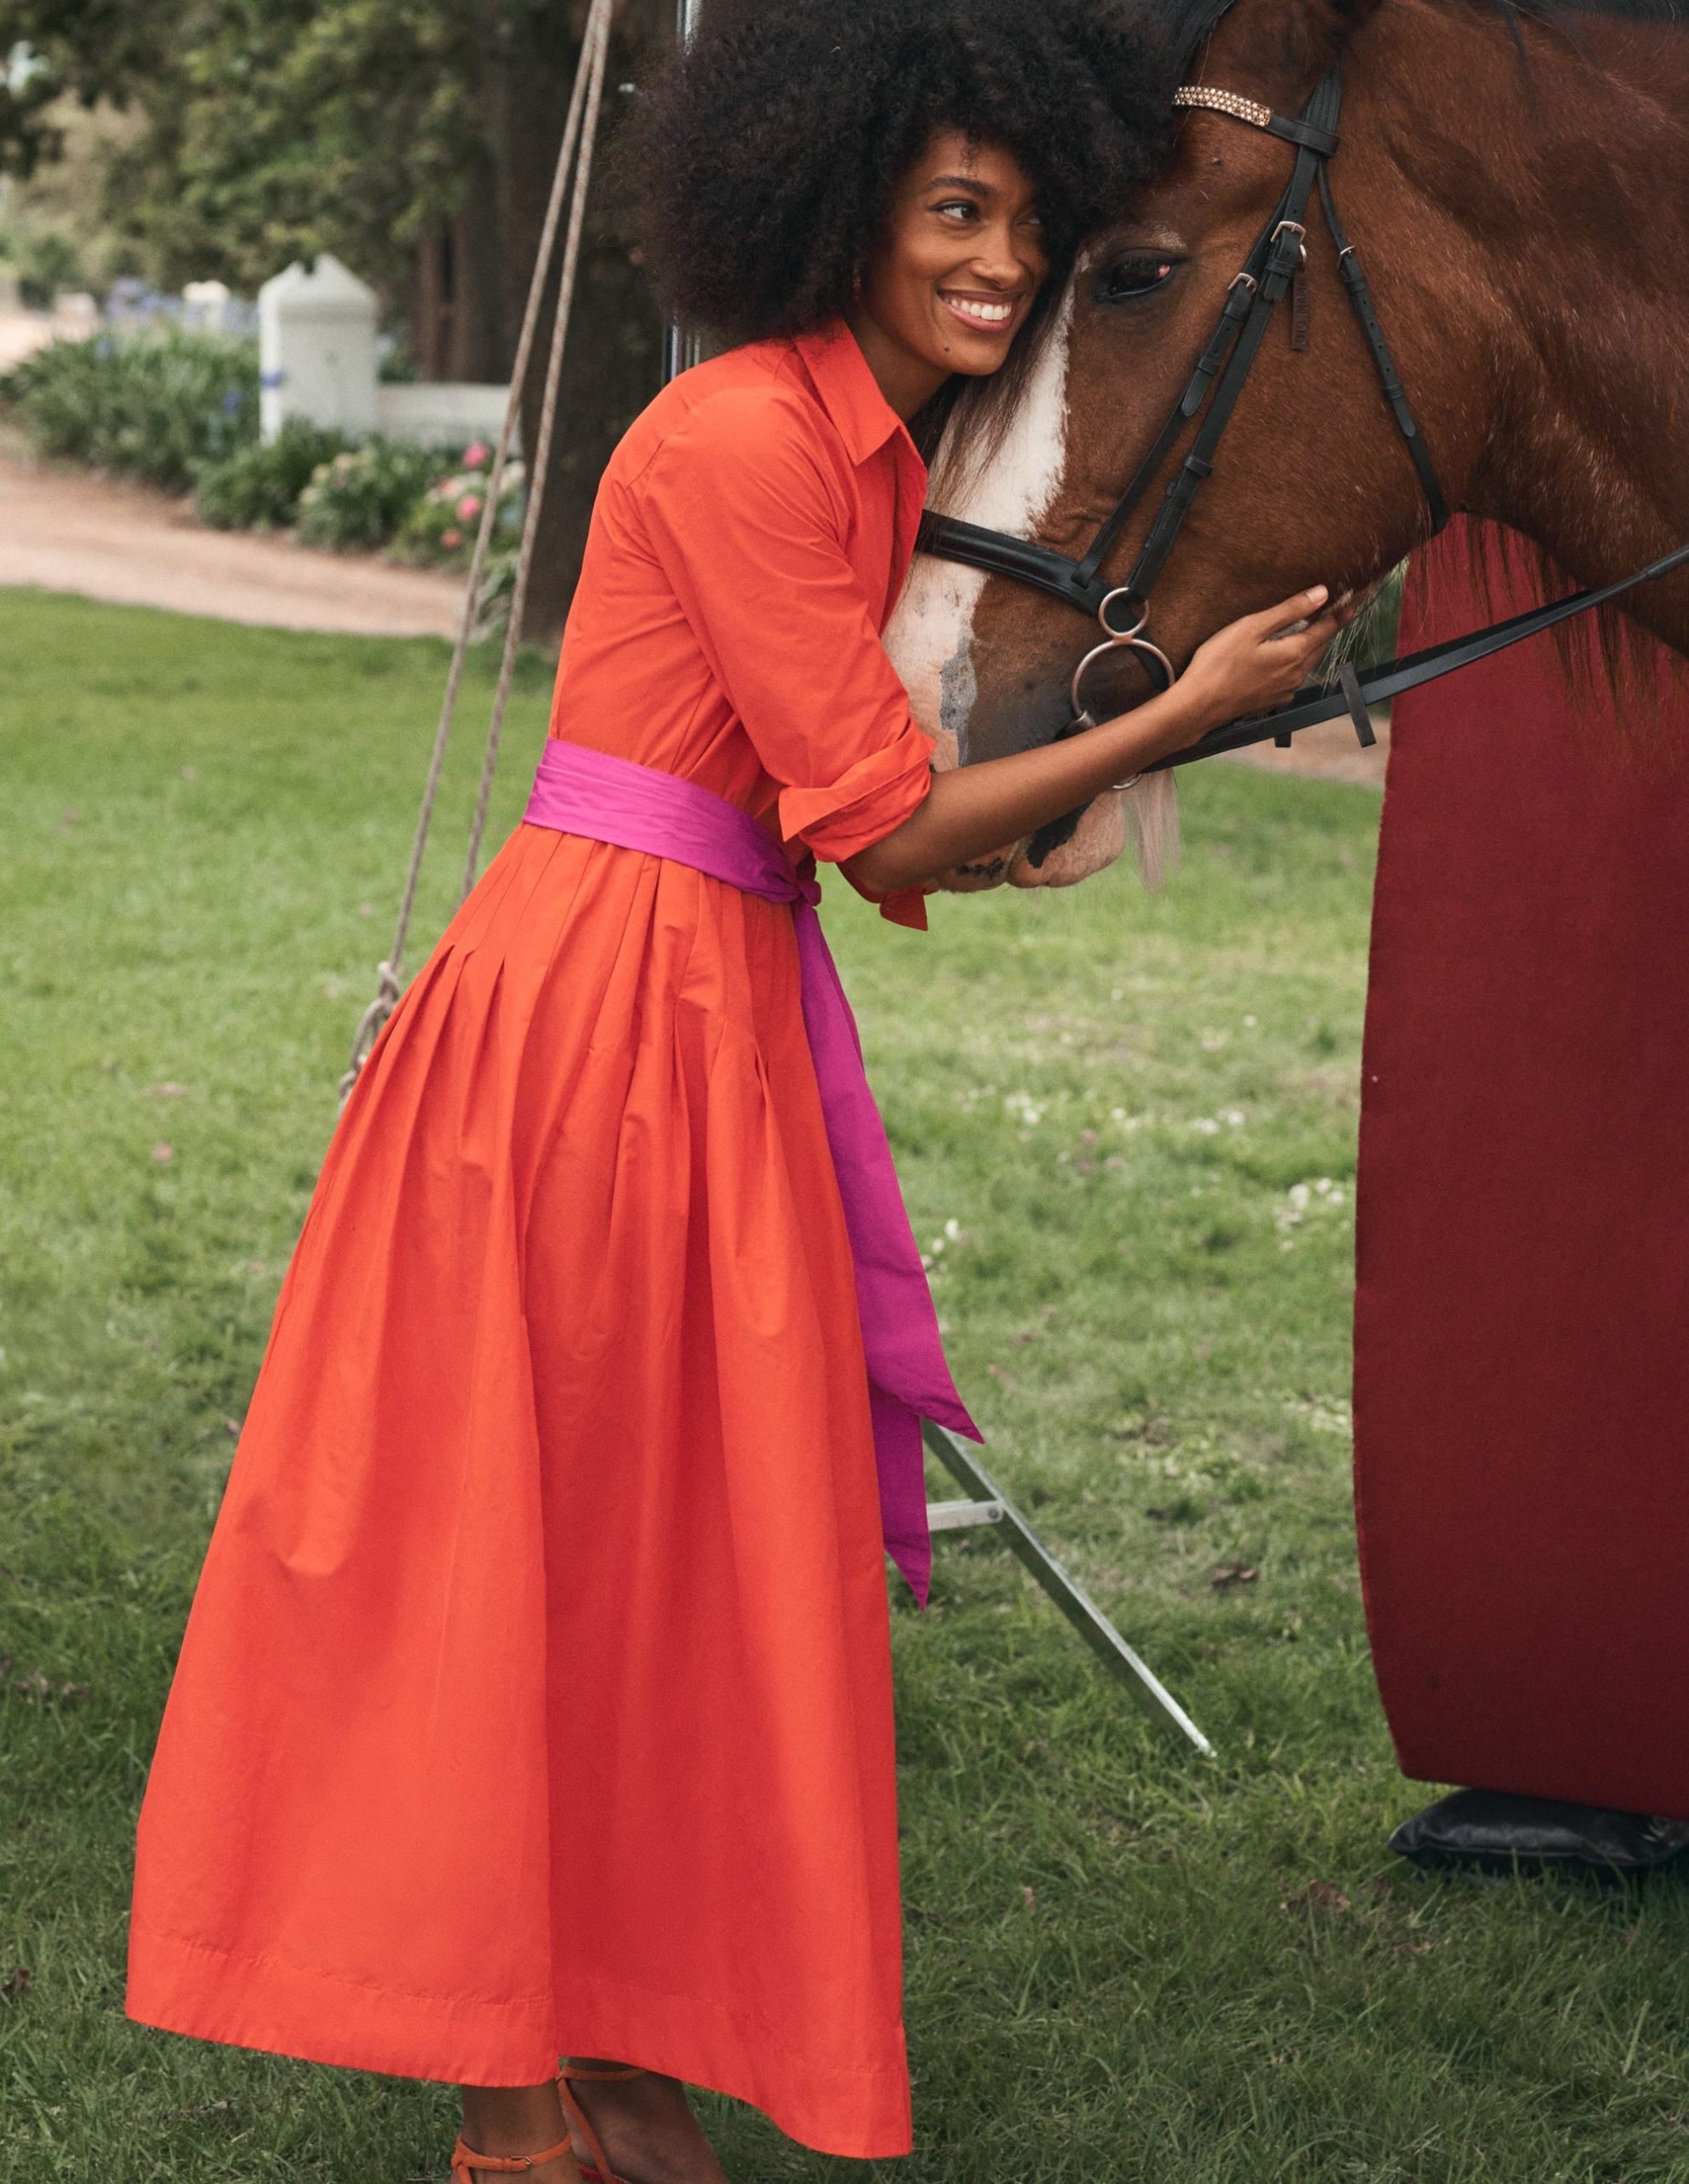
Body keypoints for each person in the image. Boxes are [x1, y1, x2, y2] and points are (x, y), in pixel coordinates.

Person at [125, 4, 1349, 2179]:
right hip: (591, 1029)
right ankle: (509, 2100)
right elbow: (879, 828)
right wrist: (1192, 714)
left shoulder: (885, 457)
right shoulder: (740, 447)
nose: (995, 260)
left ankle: (613, 2049)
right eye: (952, 212)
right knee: (520, 1542)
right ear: (835, 208)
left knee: (675, 1561)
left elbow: (870, 822)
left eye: (1024, 224)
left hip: (706, 1016)